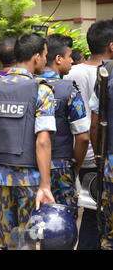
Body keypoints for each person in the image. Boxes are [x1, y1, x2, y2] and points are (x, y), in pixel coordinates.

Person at [0, 33, 56, 250]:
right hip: (29, 180)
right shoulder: (41, 89)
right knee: (26, 240)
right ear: (35, 57)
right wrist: (45, 184)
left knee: (2, 240)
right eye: (44, 55)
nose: (45, 59)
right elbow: (42, 141)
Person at [65, 20, 113, 250]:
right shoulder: (106, 73)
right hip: (99, 154)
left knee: (93, 210)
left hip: (84, 152)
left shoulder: (72, 71)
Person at [36, 34, 89, 215]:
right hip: (61, 166)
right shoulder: (69, 90)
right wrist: (75, 166)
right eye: (69, 57)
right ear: (58, 59)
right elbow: (82, 136)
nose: (72, 61)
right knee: (62, 227)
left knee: (31, 226)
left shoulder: (28, 86)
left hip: (29, 166)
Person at [86, 20, 113, 250]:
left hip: (110, 161)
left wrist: (100, 158)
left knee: (109, 232)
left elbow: (94, 126)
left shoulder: (106, 74)